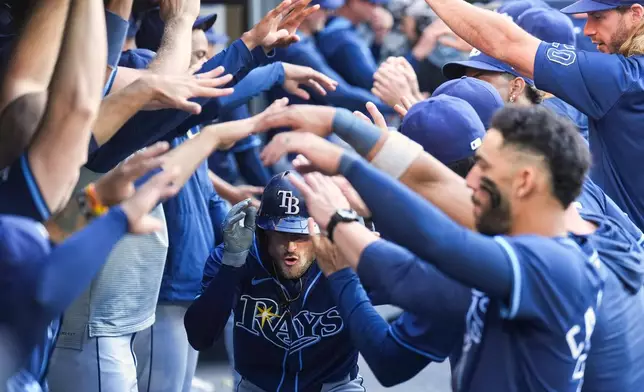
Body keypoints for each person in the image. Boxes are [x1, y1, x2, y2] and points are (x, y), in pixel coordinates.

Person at [416, 0, 644, 232]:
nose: (587, 30)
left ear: (635, 14)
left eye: (598, 17)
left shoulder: (623, 80)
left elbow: (505, 42)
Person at [184, 172, 368, 391]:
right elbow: (200, 337)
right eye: (281, 234)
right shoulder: (234, 257)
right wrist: (231, 268)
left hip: (334, 386)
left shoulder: (347, 258)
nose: (291, 247)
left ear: (320, 232)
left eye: (300, 236)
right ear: (264, 233)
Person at [316, 0, 391, 90]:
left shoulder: (350, 27)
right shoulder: (343, 37)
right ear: (353, 2)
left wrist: (379, 37)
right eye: (372, 4)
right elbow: (374, 84)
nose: (378, 10)